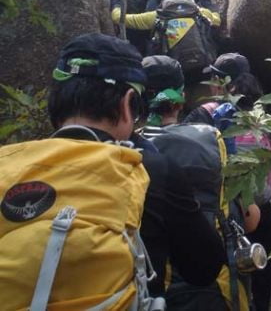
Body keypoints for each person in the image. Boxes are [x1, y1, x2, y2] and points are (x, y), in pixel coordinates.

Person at [0, 33, 226, 310]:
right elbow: (204, 268)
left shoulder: (7, 164)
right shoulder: (149, 169)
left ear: (54, 100)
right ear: (127, 103)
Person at [184, 53, 271, 311]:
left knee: (229, 279)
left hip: (228, 211)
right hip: (265, 209)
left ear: (220, 82)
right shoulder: (263, 114)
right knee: (263, 279)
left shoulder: (204, 115)